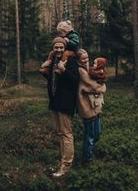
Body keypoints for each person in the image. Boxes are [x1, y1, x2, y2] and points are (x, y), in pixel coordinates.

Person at [43, 37, 80, 177]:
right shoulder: (53, 61)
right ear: (53, 49)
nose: (58, 50)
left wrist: (64, 70)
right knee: (60, 133)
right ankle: (62, 161)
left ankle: (66, 166)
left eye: (61, 47)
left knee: (66, 134)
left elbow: (76, 80)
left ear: (65, 48)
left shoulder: (70, 61)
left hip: (65, 103)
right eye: (56, 47)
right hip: (55, 102)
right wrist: (44, 71)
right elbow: (54, 80)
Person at [76, 49, 106, 164]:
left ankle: (90, 153)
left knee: (96, 133)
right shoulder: (81, 71)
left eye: (87, 57)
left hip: (94, 106)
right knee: (90, 134)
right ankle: (87, 159)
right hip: (87, 107)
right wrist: (103, 87)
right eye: (83, 58)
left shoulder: (88, 69)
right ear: (78, 60)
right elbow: (92, 86)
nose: (86, 60)